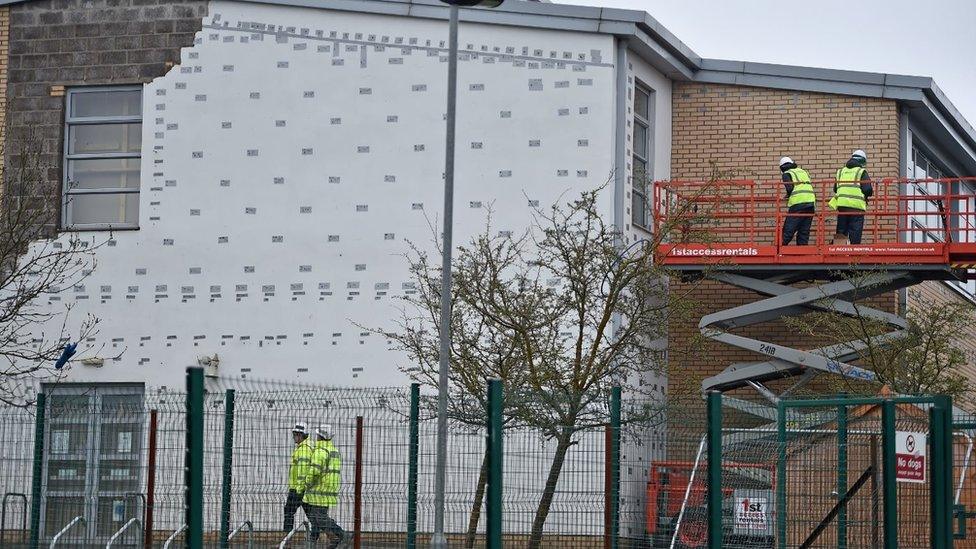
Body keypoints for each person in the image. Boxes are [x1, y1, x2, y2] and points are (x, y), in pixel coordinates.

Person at [301, 424, 346, 548]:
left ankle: (341, 534)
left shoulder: (320, 451)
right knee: (318, 518)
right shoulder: (333, 450)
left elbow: (314, 470)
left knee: (318, 518)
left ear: (319, 436)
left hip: (319, 490)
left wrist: (306, 483)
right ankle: (334, 539)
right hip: (329, 490)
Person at [830, 149, 873, 245]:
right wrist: (868, 195)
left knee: (841, 230)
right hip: (856, 207)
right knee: (855, 231)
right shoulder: (861, 172)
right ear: (862, 161)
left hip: (842, 206)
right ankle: (854, 254)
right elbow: (867, 189)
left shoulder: (840, 171)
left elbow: (835, 189)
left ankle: (839, 251)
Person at [284, 422, 314, 532]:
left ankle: (286, 539)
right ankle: (332, 535)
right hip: (302, 487)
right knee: (312, 515)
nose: (294, 437)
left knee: (288, 511)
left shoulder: (304, 449)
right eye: (294, 434)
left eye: (296, 434)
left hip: (298, 488)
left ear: (301, 435)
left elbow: (303, 470)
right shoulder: (303, 447)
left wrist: (299, 488)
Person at [778, 156, 815, 245]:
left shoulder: (787, 173)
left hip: (798, 203)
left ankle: (779, 250)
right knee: (804, 230)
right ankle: (802, 251)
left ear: (782, 167)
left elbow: (790, 188)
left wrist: (787, 195)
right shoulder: (803, 171)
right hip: (810, 203)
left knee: (789, 229)